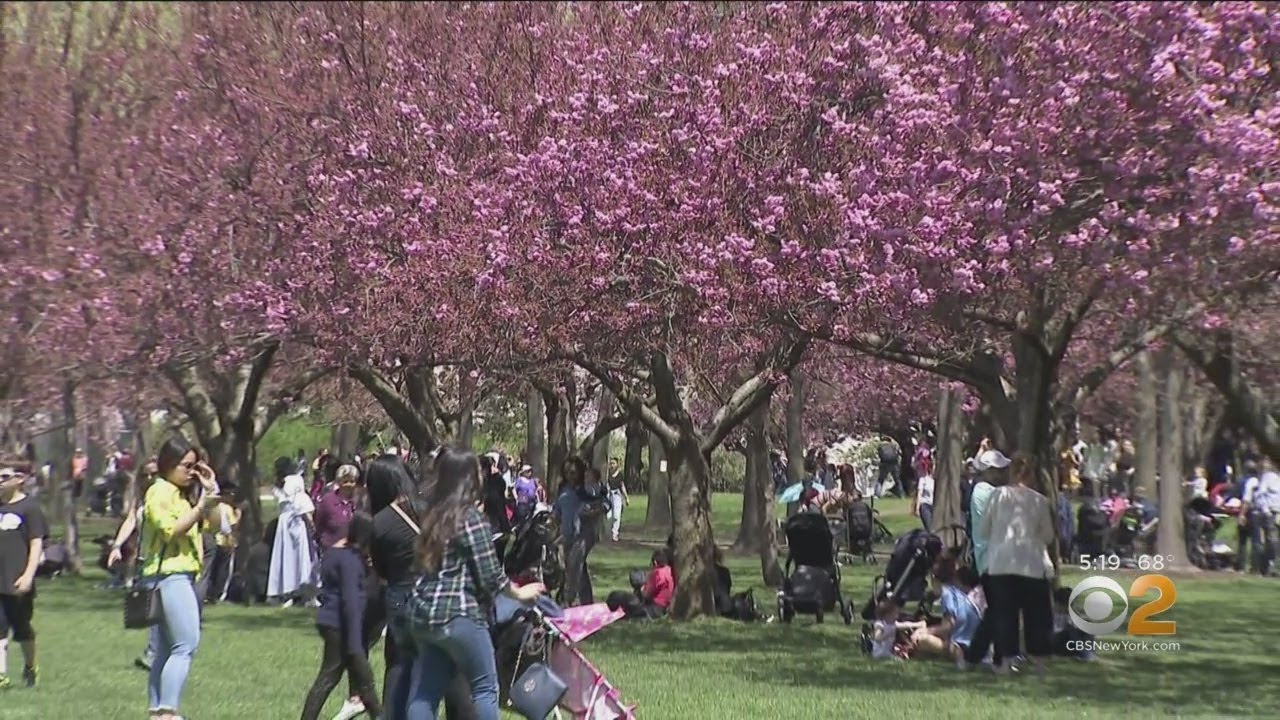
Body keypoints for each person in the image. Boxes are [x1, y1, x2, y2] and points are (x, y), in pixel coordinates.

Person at [403, 447, 544, 720]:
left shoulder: (431, 518)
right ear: (470, 478)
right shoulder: (470, 519)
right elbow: (491, 576)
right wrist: (519, 592)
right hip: (459, 614)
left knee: (425, 692)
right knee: (485, 687)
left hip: (423, 616)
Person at [140, 437, 221, 720]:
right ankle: (168, 711)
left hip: (178, 575)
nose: (191, 472)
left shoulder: (181, 494)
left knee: (164, 649)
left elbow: (216, 525)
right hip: (169, 575)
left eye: (195, 466)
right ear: (168, 464)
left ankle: (157, 712)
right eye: (186, 466)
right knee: (185, 644)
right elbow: (169, 530)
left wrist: (211, 492)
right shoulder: (158, 492)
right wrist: (200, 507)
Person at [977, 452, 1056, 676]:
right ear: (1031, 475)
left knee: (1004, 614)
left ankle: (1004, 662)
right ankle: (1039, 663)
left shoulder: (997, 496)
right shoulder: (1040, 501)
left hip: (1001, 563)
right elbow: (1048, 536)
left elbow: (983, 530)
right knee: (1037, 615)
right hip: (1031, 564)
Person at [301, 512, 382, 720]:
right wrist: (355, 644)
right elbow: (351, 602)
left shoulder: (334, 552)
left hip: (330, 620)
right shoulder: (350, 561)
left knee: (362, 682)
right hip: (342, 625)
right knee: (333, 677)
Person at [0, 456, 46, 690]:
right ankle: (1, 675)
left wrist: (28, 574)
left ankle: (30, 666)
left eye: (4, 476)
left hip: (17, 578)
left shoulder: (30, 508)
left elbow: (36, 543)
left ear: (20, 479)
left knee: (22, 629)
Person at [962, 448, 1010, 667]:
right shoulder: (986, 491)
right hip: (991, 558)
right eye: (999, 470)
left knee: (998, 609)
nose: (1003, 473)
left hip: (992, 557)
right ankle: (985, 656)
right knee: (998, 610)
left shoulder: (984, 490)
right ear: (989, 470)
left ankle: (988, 656)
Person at [911, 557, 981, 667]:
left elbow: (948, 626)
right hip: (974, 643)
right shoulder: (958, 593)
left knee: (921, 639)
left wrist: (926, 631)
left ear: (934, 579)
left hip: (961, 647)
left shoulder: (946, 594)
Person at [269, 456, 318, 608]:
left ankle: (288, 592)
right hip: (296, 521)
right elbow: (301, 502)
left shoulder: (278, 484)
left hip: (286, 522)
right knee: (302, 557)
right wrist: (311, 522)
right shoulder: (295, 481)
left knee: (287, 558)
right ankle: (304, 593)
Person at [1242, 457, 1280, 576]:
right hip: (1265, 512)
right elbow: (1260, 494)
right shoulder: (1268, 477)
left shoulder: (1276, 478)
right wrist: (1266, 510)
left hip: (1274, 512)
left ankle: (1267, 567)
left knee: (1271, 542)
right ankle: (1257, 568)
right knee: (1261, 541)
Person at [205, 489, 242, 604]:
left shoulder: (210, 508)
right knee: (224, 570)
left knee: (211, 569)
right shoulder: (226, 508)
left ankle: (209, 593)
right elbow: (233, 525)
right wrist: (239, 513)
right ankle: (220, 594)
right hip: (226, 541)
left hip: (212, 540)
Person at [315, 464, 361, 554]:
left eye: (352, 481)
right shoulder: (327, 501)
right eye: (345, 481)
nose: (349, 485)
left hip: (353, 552)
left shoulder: (359, 500)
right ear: (339, 482)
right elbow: (319, 524)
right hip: (331, 550)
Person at [479, 455, 511, 564]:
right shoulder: (491, 485)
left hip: (494, 529)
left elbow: (499, 506)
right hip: (493, 528)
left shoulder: (491, 486)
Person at [639, 548, 675, 617]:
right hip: (667, 606)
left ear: (655, 562)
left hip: (655, 606)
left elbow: (647, 594)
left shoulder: (657, 574)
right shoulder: (670, 570)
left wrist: (642, 589)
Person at [606, 458, 629, 542]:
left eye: (613, 463)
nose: (612, 465)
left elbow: (622, 486)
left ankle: (615, 534)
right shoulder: (607, 474)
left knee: (616, 516)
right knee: (608, 516)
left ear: (617, 464)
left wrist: (626, 497)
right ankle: (608, 534)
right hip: (609, 495)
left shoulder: (620, 475)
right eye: (611, 463)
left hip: (617, 496)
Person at [912, 459, 935, 532]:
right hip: (925, 505)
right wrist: (917, 508)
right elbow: (919, 494)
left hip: (934, 506)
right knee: (929, 527)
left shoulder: (936, 481)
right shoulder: (923, 480)